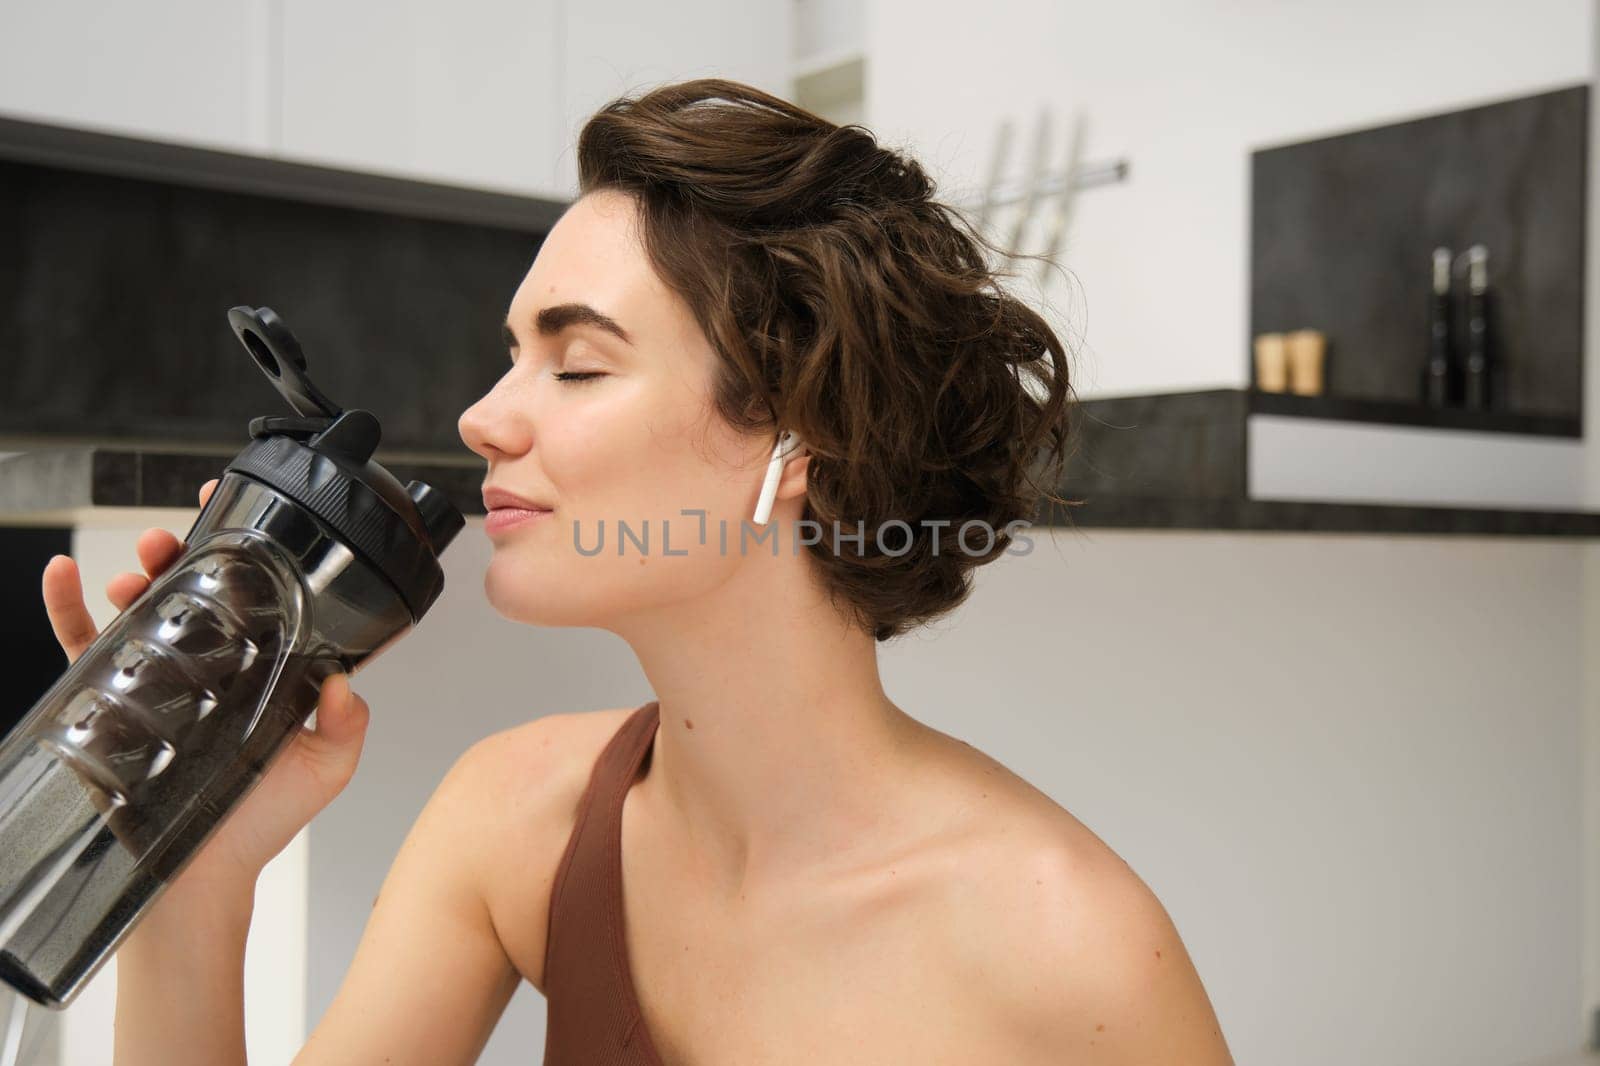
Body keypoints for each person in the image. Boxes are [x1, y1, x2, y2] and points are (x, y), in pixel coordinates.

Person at [42, 78, 1234, 1065]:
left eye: (577, 365)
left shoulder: (1069, 948)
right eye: (513, 357)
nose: (479, 419)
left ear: (798, 434)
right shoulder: (514, 820)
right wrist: (189, 860)